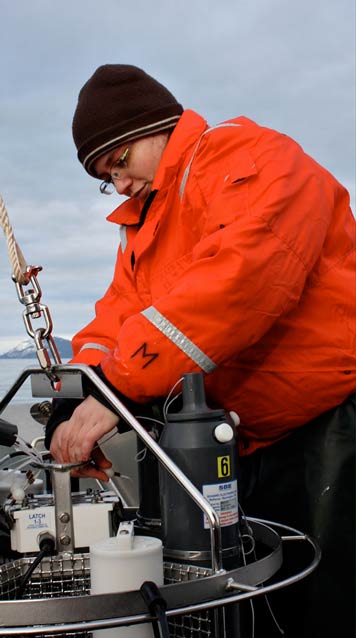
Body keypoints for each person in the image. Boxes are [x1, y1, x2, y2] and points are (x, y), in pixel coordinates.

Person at [45, 64, 355, 637]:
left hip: (326, 431)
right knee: (258, 598)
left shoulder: (247, 158)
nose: (116, 185)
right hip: (241, 442)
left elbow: (240, 281)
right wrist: (81, 392)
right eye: (101, 176)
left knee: (326, 600)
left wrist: (119, 389)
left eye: (119, 160)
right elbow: (118, 318)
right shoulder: (142, 230)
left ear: (158, 127)